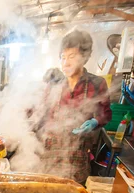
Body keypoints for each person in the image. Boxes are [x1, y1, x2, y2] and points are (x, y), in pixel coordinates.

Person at [36, 30, 112, 184]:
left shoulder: (97, 83)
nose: (66, 63)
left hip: (77, 152)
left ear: (85, 57)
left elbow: (105, 113)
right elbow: (41, 113)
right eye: (63, 57)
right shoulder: (54, 84)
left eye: (71, 57)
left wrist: (95, 122)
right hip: (49, 152)